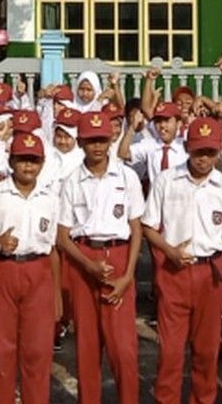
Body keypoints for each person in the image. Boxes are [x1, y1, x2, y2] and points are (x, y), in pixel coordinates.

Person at [141, 116, 222, 404]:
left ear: (219, 151)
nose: (204, 159)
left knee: (206, 352)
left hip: (211, 272)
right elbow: (148, 225)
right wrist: (168, 250)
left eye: (210, 152)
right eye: (198, 152)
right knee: (170, 352)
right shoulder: (167, 180)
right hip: (174, 273)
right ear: (187, 147)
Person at [55, 110, 145, 404]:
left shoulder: (127, 176)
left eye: (102, 140)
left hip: (119, 258)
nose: (97, 146)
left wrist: (129, 275)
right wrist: (88, 265)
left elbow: (136, 228)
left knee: (123, 349)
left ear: (111, 140)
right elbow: (63, 235)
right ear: (80, 142)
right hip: (84, 262)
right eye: (91, 140)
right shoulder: (71, 181)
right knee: (87, 347)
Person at [0, 131, 61, 404]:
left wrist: (55, 292)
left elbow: (53, 247)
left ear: (42, 163)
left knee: (37, 351)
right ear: (11, 161)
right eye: (22, 160)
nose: (28, 167)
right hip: (5, 269)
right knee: (3, 349)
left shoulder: (50, 198)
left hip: (38, 270)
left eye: (33, 161)